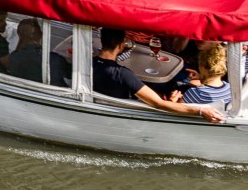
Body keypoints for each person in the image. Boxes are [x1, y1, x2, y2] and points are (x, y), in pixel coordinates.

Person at [92, 29, 224, 123]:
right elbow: (159, 103)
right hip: (129, 114)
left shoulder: (88, 64)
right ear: (121, 45)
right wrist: (201, 111)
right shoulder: (123, 74)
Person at [177, 41, 231, 111]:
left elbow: (175, 112)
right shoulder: (229, 88)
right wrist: (201, 78)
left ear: (202, 67)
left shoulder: (195, 93)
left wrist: (173, 100)